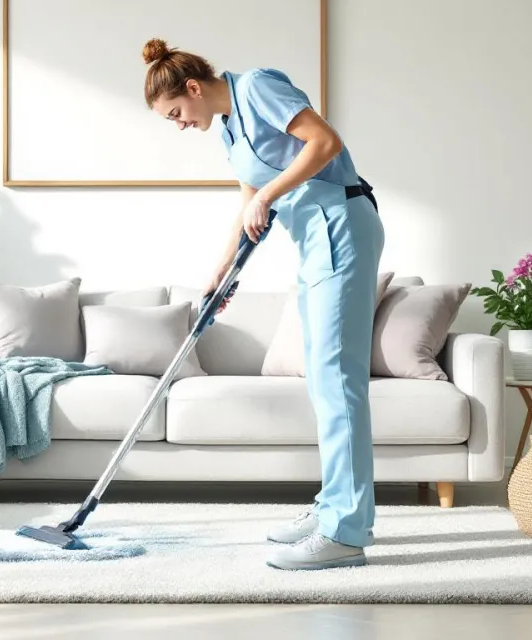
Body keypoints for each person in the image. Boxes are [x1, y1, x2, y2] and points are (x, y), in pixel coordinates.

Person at [141, 37, 384, 571]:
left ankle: (345, 532)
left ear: (194, 87)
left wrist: (270, 196)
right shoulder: (227, 129)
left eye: (176, 113)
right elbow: (246, 208)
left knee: (337, 377)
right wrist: (218, 278)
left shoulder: (257, 87)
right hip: (314, 239)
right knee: (323, 380)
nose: (179, 124)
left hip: (342, 225)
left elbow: (324, 143)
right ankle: (332, 511)